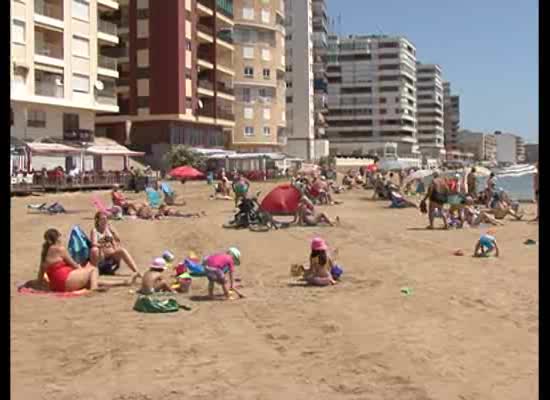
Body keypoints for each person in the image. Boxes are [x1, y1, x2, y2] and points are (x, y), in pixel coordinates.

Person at [36, 229, 102, 292]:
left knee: (92, 280)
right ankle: (93, 289)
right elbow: (74, 265)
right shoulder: (60, 249)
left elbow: (40, 277)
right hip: (65, 281)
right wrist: (83, 269)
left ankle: (111, 284)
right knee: (93, 269)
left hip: (55, 285)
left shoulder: (45, 253)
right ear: (57, 238)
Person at [90, 212, 143, 279]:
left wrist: (113, 231)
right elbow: (93, 243)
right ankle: (95, 272)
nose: (105, 221)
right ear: (97, 220)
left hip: (111, 254)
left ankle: (136, 271)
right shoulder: (95, 230)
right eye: (102, 219)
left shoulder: (108, 229)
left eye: (106, 219)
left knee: (122, 250)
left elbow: (118, 240)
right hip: (101, 255)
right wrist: (102, 245)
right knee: (94, 249)